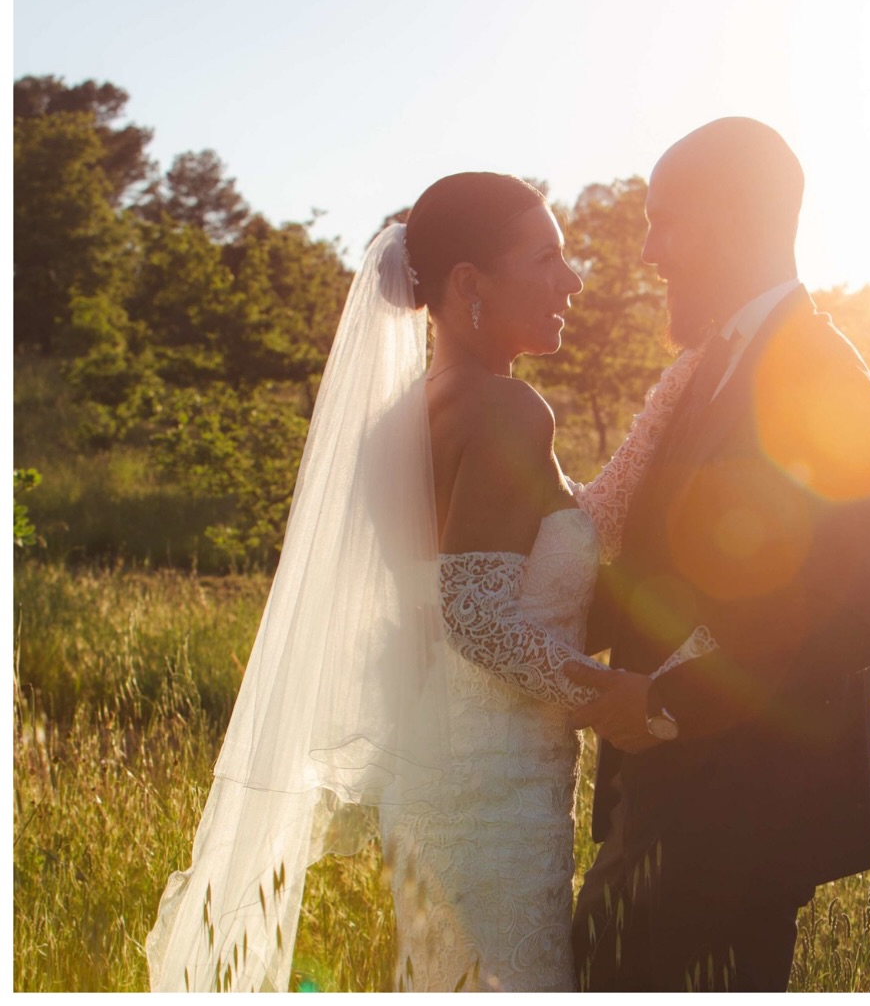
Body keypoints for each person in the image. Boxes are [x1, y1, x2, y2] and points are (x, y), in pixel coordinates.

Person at [145, 172, 703, 993]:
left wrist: (680, 383)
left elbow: (569, 532)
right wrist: (616, 691)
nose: (573, 281)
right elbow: (473, 615)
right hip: (497, 786)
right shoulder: (510, 409)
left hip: (435, 779)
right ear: (470, 284)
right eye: (546, 258)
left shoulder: (396, 426)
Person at [566, 118, 870, 993]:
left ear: (732, 216)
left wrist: (665, 704)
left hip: (740, 824)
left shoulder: (820, 371)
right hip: (661, 805)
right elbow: (660, 572)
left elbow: (855, 609)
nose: (648, 253)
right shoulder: (707, 366)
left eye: (663, 222)